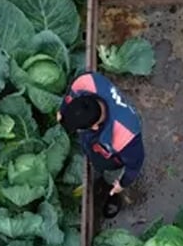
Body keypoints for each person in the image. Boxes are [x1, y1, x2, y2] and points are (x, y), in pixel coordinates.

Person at [58, 72, 145, 219]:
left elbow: (135, 164)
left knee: (111, 176)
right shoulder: (86, 82)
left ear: (94, 127)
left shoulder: (125, 136)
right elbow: (70, 97)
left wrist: (122, 183)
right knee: (91, 151)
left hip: (114, 158)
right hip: (106, 129)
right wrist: (62, 111)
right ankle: (97, 165)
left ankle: (113, 194)